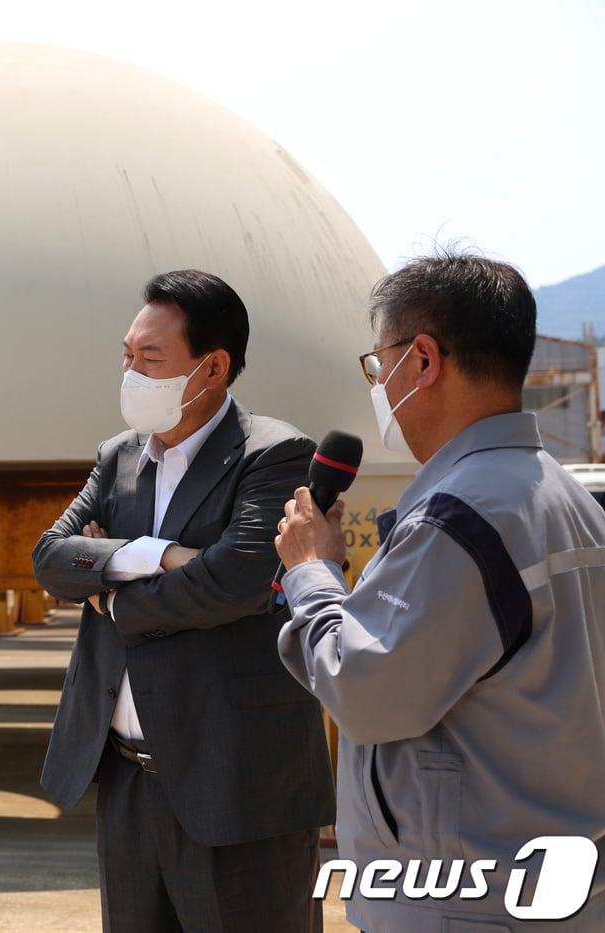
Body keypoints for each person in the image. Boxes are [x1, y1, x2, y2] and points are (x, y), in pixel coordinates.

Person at [276, 252, 605, 931]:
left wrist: (310, 572)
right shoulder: (566, 497)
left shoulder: (459, 518)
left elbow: (367, 692)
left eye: (379, 363)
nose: (379, 384)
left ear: (422, 361)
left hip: (463, 901)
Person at [33, 270, 335, 932]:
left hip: (236, 782)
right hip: (129, 781)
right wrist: (154, 555)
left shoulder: (275, 454)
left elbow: (232, 581)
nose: (131, 372)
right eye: (127, 355)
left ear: (213, 368)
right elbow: (51, 559)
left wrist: (111, 594)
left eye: (150, 358)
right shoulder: (117, 458)